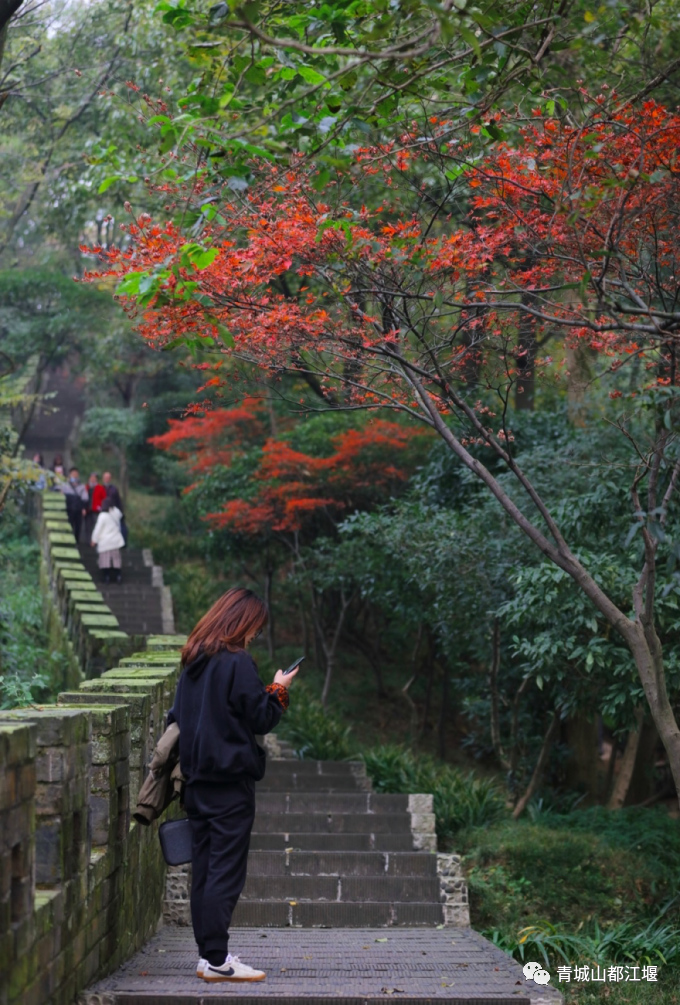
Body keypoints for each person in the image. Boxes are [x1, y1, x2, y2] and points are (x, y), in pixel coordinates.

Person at [167, 589, 298, 984]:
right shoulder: (237, 662)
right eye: (255, 626)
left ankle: (210, 956)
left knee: (205, 871)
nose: (255, 635)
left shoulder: (193, 658)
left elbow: (176, 715)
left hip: (196, 784)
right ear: (242, 621)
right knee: (225, 873)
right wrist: (279, 689)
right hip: (229, 785)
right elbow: (260, 718)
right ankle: (219, 960)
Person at [90, 496, 125, 583]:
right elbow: (120, 516)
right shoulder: (116, 513)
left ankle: (106, 577)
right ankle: (118, 577)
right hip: (115, 541)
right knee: (116, 560)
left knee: (105, 560)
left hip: (105, 542)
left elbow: (98, 529)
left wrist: (94, 540)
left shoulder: (102, 516)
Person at [58, 467, 88, 541]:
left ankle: (76, 542)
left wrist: (83, 508)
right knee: (68, 526)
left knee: (78, 527)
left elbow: (85, 498)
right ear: (70, 475)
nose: (74, 476)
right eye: (73, 474)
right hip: (68, 509)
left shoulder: (82, 487)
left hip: (78, 510)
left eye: (76, 474)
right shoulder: (65, 485)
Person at [85, 472, 106, 541]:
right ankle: (88, 540)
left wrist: (101, 507)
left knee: (97, 526)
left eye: (94, 478)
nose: (92, 479)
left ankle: (96, 540)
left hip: (96, 510)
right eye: (91, 478)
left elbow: (104, 498)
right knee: (88, 526)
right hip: (88, 510)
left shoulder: (100, 488)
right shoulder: (86, 487)